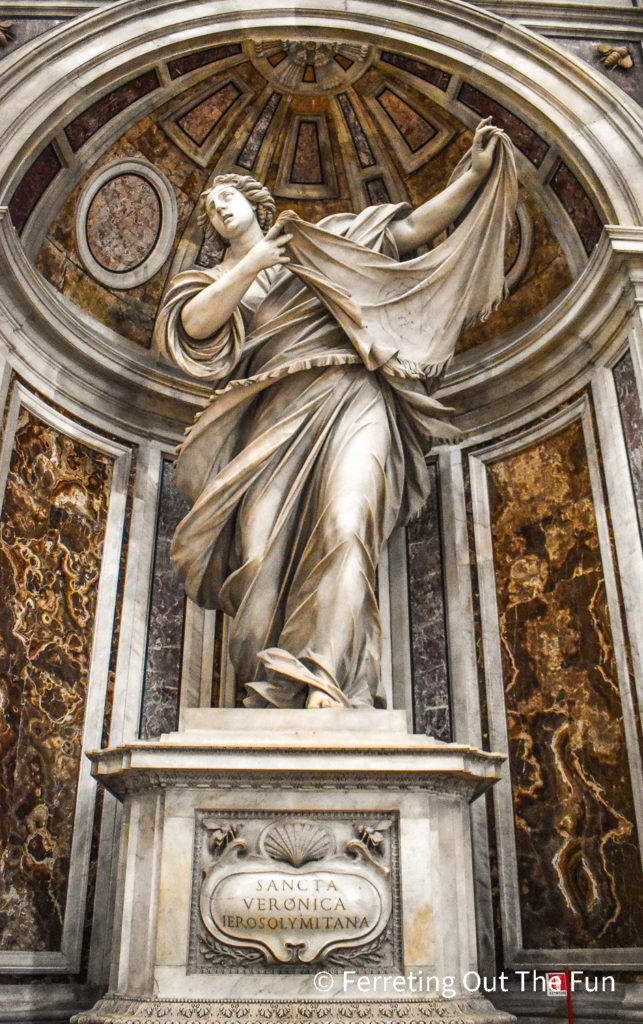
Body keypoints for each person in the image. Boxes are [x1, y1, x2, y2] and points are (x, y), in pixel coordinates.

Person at [156, 118, 517, 710]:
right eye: (209, 206)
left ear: (255, 202)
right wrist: (254, 263)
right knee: (255, 559)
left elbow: (407, 230)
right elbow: (195, 326)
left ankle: (328, 679)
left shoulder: (322, 239)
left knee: (349, 527)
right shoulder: (214, 278)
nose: (217, 207)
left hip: (354, 395)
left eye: (227, 196)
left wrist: (473, 177)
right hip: (271, 415)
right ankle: (272, 688)